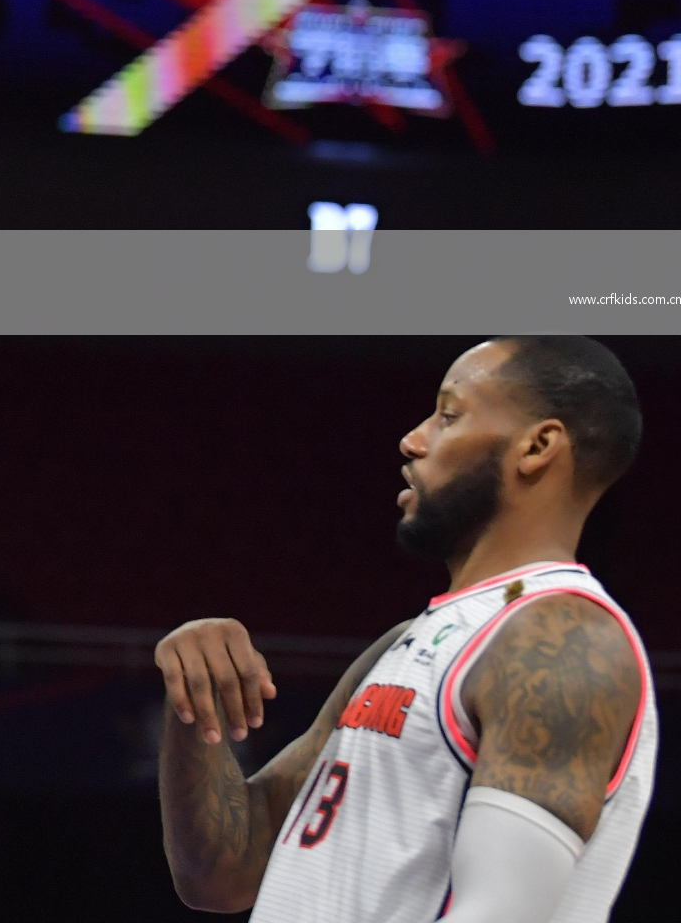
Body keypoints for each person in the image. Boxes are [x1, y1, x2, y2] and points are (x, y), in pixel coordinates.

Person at [155, 336, 657, 922]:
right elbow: (223, 873)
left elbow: (501, 913)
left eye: (449, 415)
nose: (414, 440)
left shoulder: (562, 640)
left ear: (537, 446)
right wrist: (196, 702)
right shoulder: (407, 643)